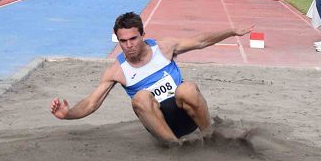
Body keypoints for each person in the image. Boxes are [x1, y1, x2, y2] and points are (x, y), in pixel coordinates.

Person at [50, 12, 252, 144]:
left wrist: (232, 31)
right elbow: (92, 103)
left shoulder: (164, 48)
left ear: (142, 35)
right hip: (159, 124)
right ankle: (176, 146)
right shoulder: (117, 71)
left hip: (187, 115)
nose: (129, 45)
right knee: (140, 97)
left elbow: (201, 41)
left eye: (133, 39)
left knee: (187, 88)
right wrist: (67, 114)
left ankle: (210, 136)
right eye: (123, 41)